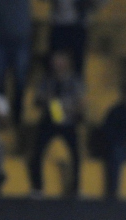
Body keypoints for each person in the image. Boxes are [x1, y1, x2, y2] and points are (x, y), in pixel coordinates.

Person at [28, 50, 84, 197]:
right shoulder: (46, 80)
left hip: (68, 121)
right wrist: (47, 100)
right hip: (48, 121)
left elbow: (80, 102)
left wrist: (67, 108)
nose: (57, 64)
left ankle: (75, 189)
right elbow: (37, 100)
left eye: (61, 60)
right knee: (37, 152)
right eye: (55, 60)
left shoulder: (74, 80)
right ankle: (37, 188)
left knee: (76, 155)